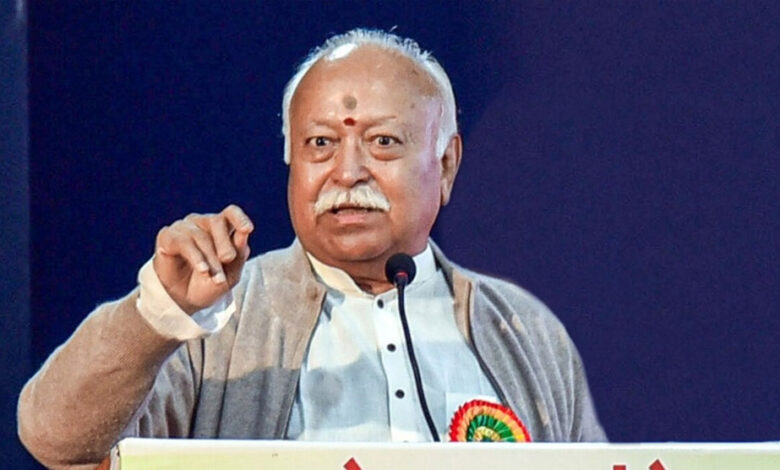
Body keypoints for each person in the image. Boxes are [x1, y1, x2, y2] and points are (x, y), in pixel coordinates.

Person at [18, 29, 606, 469]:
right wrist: (157, 313)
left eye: (382, 141)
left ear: (446, 163)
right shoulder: (216, 321)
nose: (347, 172)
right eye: (320, 143)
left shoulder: (522, 331)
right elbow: (53, 439)